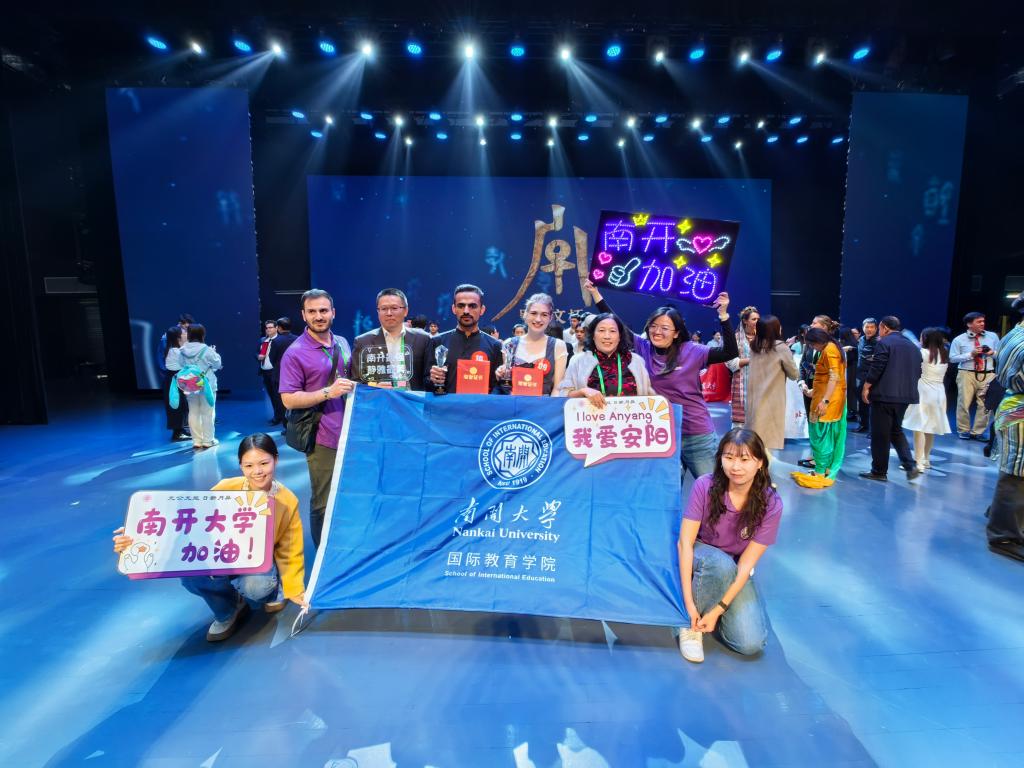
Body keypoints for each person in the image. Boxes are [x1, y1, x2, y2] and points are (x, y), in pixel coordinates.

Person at [112, 433, 307, 642]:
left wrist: (294, 588)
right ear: (240, 466)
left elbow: (290, 548)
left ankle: (274, 590)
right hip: (222, 555)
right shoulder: (225, 488)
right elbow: (191, 522)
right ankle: (228, 609)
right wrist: (138, 535)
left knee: (257, 587)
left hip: (260, 559)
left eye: (264, 463)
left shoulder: (287, 500)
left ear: (276, 459)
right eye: (248, 465)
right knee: (190, 575)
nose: (257, 471)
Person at [584, 282, 737, 478]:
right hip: (662, 435)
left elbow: (730, 352)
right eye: (653, 326)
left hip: (696, 434)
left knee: (710, 488)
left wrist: (723, 315)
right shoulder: (644, 348)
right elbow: (618, 325)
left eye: (665, 328)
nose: (657, 331)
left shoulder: (693, 351)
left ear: (676, 333)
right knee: (668, 490)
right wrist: (596, 293)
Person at [677, 428, 781, 663]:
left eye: (745, 459)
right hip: (700, 554)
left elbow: (745, 565)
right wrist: (689, 605)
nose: (736, 466)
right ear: (720, 459)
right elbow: (685, 543)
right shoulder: (705, 485)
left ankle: (709, 605)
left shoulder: (771, 503)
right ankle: (689, 625)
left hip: (733, 567)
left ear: (760, 463)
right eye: (729, 457)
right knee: (719, 564)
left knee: (750, 643)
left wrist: (718, 610)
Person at [279, 289, 355, 548]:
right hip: (323, 437)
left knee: (348, 494)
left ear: (333, 312)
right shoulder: (295, 352)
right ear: (303, 315)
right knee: (323, 500)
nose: (318, 316)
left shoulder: (342, 342)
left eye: (323, 310)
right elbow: (288, 399)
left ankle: (343, 547)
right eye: (312, 311)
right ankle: (323, 554)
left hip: (351, 433)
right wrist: (327, 392)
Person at [860, 315, 922, 482]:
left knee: (880, 435)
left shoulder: (884, 343)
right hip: (905, 396)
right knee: (895, 430)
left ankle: (879, 471)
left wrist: (866, 386)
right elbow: (918, 370)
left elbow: (877, 367)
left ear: (884, 327)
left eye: (879, 328)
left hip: (884, 395)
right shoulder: (912, 345)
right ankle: (910, 465)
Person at [986, 295, 1024, 561]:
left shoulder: (1014, 334)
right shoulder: (1020, 339)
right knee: (1015, 474)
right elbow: (1016, 379)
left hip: (1015, 409)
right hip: (1019, 412)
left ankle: (1006, 522)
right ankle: (1003, 535)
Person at [792, 327, 847, 487]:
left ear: (817, 341)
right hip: (825, 397)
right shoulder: (832, 347)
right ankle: (825, 468)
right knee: (826, 435)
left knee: (820, 436)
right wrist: (814, 391)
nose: (812, 348)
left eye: (812, 344)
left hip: (827, 401)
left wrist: (825, 401)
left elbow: (834, 377)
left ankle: (820, 471)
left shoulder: (829, 350)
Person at [558, 313, 653, 403]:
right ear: (593, 335)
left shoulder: (635, 361)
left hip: (631, 415)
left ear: (619, 336)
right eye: (601, 330)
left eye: (612, 331)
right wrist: (582, 391)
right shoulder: (578, 361)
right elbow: (563, 395)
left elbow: (649, 397)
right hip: (591, 415)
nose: (607, 336)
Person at [427, 284, 503, 394]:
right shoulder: (437, 341)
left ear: (482, 310)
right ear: (454, 309)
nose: (466, 311)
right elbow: (425, 382)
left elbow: (499, 386)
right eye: (461, 306)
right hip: (446, 405)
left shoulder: (495, 345)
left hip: (481, 404)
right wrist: (433, 379)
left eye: (472, 306)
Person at [351, 288, 432, 391]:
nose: (389, 313)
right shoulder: (363, 342)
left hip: (413, 400)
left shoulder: (423, 339)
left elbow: (429, 377)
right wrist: (374, 386)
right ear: (378, 311)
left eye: (394, 308)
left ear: (405, 311)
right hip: (381, 399)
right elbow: (356, 381)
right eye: (384, 309)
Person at [746, 315, 799, 456]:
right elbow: (794, 374)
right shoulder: (781, 348)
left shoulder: (754, 347)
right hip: (772, 400)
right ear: (775, 329)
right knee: (767, 445)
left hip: (754, 399)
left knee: (754, 442)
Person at [496, 293, 568, 395]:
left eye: (544, 315)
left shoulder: (558, 346)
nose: (538, 319)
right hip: (513, 402)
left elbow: (557, 388)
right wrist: (500, 373)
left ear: (550, 317)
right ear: (525, 314)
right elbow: (506, 382)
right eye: (533, 313)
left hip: (543, 404)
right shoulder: (510, 344)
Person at [167, 324, 222, 450]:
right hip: (207, 384)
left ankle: (197, 440)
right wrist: (214, 353)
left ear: (189, 335)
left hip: (190, 385)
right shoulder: (207, 350)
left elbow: (181, 364)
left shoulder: (183, 350)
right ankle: (208, 440)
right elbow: (217, 364)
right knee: (208, 412)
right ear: (203, 335)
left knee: (193, 412)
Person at [903, 327, 951, 471]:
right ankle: (926, 459)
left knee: (919, 428)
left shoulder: (923, 353)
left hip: (923, 391)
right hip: (939, 393)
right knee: (930, 428)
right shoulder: (943, 353)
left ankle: (918, 463)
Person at [950, 312, 1001, 440]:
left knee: (985, 404)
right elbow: (952, 358)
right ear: (969, 324)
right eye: (979, 321)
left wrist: (991, 353)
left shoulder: (992, 336)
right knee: (964, 403)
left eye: (983, 321)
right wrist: (970, 354)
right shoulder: (959, 339)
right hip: (966, 373)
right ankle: (963, 430)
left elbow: (1001, 355)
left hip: (988, 373)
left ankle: (978, 432)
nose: (982, 324)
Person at [726, 306, 760, 427]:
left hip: (760, 382)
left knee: (759, 419)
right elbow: (730, 363)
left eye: (758, 319)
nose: (757, 322)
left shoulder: (762, 338)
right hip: (741, 382)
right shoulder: (736, 339)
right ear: (745, 321)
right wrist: (751, 360)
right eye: (754, 319)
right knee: (740, 424)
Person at [266, 317, 296, 426]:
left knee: (281, 401)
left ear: (278, 328)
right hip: (295, 375)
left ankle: (287, 426)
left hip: (280, 375)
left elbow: (272, 358)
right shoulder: (297, 339)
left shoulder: (276, 341)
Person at [162, 326, 189, 441]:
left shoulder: (174, 349)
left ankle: (180, 429)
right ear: (178, 337)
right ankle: (177, 433)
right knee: (177, 406)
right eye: (183, 333)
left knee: (181, 405)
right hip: (175, 381)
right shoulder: (176, 352)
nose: (186, 334)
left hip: (175, 379)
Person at [855, 318, 879, 434]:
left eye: (872, 327)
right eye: (867, 327)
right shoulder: (861, 340)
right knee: (861, 402)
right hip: (860, 375)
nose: (869, 329)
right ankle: (863, 425)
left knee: (872, 404)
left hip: (872, 377)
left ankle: (874, 430)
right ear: (863, 327)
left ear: (876, 328)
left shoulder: (879, 342)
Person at [258, 320, 279, 425]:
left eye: (270, 327)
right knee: (271, 395)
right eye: (266, 328)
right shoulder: (263, 340)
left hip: (275, 372)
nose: (268, 330)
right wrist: (258, 356)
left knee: (277, 396)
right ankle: (277, 415)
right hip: (265, 372)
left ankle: (279, 417)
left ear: (276, 328)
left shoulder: (279, 341)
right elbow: (256, 352)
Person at [839, 326, 860, 424]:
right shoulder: (854, 343)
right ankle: (853, 411)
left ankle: (851, 411)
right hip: (854, 369)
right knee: (852, 391)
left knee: (850, 390)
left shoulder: (848, 345)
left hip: (849, 370)